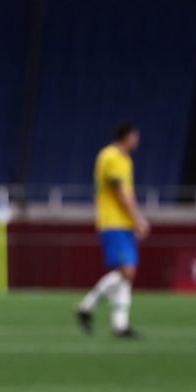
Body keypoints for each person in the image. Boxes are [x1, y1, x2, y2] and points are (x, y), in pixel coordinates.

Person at [75, 122, 149, 338]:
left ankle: (120, 325)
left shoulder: (125, 159)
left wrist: (134, 220)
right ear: (126, 137)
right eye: (135, 136)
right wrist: (138, 219)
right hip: (113, 221)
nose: (137, 140)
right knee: (127, 271)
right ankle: (86, 306)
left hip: (123, 222)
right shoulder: (112, 156)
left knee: (127, 275)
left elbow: (128, 193)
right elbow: (120, 193)